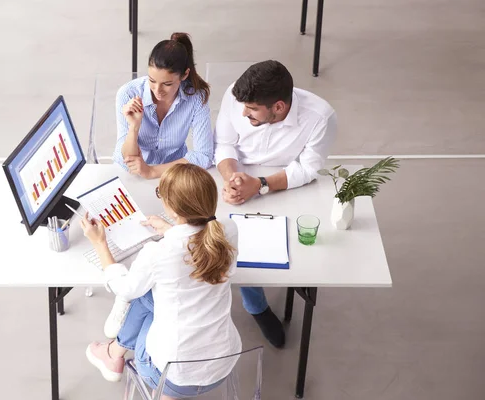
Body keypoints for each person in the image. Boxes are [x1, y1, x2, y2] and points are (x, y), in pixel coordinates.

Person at [81, 164, 241, 399]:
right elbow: (193, 247)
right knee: (158, 294)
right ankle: (115, 353)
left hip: (172, 374)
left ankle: (115, 353)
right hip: (223, 364)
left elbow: (125, 289)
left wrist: (100, 243)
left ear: (173, 209)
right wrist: (171, 230)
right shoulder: (229, 230)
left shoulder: (158, 253)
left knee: (144, 294)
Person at [214, 60, 337, 348]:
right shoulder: (237, 95)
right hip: (233, 174)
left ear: (279, 107)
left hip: (285, 184)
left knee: (281, 251)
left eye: (253, 110)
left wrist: (261, 185)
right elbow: (224, 143)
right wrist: (233, 178)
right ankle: (254, 304)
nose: (243, 114)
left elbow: (308, 169)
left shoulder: (321, 117)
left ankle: (255, 304)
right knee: (217, 239)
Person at [112, 33, 213, 179]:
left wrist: (152, 172)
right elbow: (126, 158)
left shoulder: (196, 97)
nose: (157, 90)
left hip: (174, 174)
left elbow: (203, 155)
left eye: (167, 84)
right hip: (132, 174)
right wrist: (134, 127)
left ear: (184, 75)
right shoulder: (128, 93)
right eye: (152, 80)